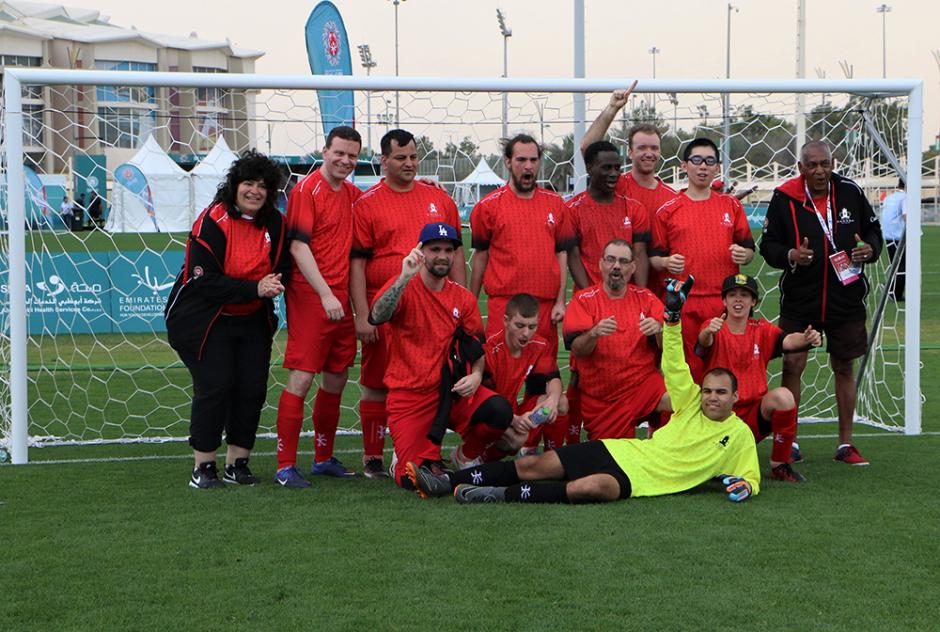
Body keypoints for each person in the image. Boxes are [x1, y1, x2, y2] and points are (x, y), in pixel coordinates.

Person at [405, 277, 761, 505]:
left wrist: (746, 487)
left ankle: (494, 495)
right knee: (536, 465)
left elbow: (751, 476)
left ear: (735, 397)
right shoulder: (691, 404)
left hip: (639, 481)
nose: (712, 397)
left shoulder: (739, 434)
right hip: (620, 450)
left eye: (720, 393)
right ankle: (443, 481)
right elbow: (674, 364)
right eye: (709, 391)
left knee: (591, 488)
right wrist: (671, 320)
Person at [165, 150, 290, 489]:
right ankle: (203, 467)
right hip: (203, 318)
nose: (255, 191)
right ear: (234, 186)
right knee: (215, 385)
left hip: (251, 318)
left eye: (263, 186)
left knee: (251, 388)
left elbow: (285, 268)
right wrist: (255, 287)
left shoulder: (276, 223)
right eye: (248, 183)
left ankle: (239, 463)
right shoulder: (212, 220)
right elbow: (203, 279)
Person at [759, 140, 883, 466]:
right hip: (801, 300)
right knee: (793, 364)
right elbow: (768, 245)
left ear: (833, 163)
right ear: (801, 168)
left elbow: (874, 233)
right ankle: (790, 440)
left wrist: (869, 249)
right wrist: (790, 255)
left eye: (824, 164)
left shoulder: (850, 192)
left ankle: (846, 444)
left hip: (846, 297)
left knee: (844, 366)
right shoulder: (785, 197)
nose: (819, 170)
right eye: (811, 165)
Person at [351, 129, 465, 478]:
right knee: (375, 381)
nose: (409, 163)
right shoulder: (367, 202)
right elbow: (356, 261)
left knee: (434, 378)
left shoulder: (438, 199)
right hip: (388, 309)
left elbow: (455, 253)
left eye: (414, 156)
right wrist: (362, 315)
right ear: (383, 161)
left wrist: (460, 298)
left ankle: (426, 452)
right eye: (401, 157)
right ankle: (373, 458)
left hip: (434, 311)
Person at [368, 223, 513, 487]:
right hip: (410, 394)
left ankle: (465, 456)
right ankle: (402, 459)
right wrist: (402, 278)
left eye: (449, 250)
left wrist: (477, 375)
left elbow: (476, 347)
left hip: (451, 392)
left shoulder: (463, 298)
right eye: (435, 249)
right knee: (414, 480)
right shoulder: (404, 285)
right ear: (421, 251)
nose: (443, 255)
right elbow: (377, 316)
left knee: (499, 411)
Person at [274, 126, 363, 488]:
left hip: (340, 295)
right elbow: (297, 247)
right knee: (302, 376)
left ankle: (323, 457)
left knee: (337, 375)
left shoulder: (355, 194)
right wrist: (325, 293)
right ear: (324, 151)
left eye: (352, 155)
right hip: (313, 294)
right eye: (339, 153)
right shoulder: (306, 190)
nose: (345, 160)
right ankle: (284, 466)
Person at [697, 274, 822, 482]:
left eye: (744, 295)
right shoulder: (714, 325)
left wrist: (808, 338)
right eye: (733, 295)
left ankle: (779, 464)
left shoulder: (762, 329)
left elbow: (789, 341)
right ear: (724, 301)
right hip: (719, 417)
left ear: (753, 301)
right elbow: (703, 342)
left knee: (784, 396)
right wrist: (708, 332)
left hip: (752, 416)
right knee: (714, 466)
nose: (738, 300)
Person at [649, 138, 755, 377]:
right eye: (696, 160)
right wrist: (666, 262)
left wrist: (744, 254)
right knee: (688, 372)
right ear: (684, 166)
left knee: (727, 372)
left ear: (717, 167)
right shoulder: (668, 209)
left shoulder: (731, 205)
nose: (703, 166)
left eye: (710, 161)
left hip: (724, 302)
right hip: (685, 303)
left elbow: (749, 250)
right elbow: (654, 258)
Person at [469, 133, 570, 358]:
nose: (528, 166)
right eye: (521, 160)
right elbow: (480, 256)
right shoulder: (488, 207)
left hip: (543, 308)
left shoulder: (555, 204)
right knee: (497, 375)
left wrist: (560, 301)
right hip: (504, 307)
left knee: (544, 378)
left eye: (533, 160)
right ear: (507, 162)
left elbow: (561, 253)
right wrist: (470, 304)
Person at [563, 239, 670, 440]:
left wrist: (659, 330)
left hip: (642, 386)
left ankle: (662, 444)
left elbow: (671, 346)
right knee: (613, 461)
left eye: (623, 261)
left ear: (632, 267)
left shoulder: (646, 297)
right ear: (601, 264)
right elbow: (577, 350)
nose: (616, 266)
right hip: (604, 398)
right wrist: (593, 333)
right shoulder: (584, 300)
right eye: (611, 260)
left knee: (680, 403)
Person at [482, 293, 567, 457]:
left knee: (560, 402)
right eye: (520, 325)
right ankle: (473, 455)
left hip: (515, 414)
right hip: (491, 414)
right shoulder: (490, 348)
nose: (526, 333)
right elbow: (483, 401)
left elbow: (553, 378)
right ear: (506, 321)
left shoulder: (539, 344)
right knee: (513, 440)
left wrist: (552, 400)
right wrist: (513, 419)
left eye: (532, 327)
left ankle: (552, 457)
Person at [881, 178, 906, 302]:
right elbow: (907, 216)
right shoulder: (905, 197)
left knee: (895, 264)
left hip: (888, 236)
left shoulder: (889, 198)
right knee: (903, 266)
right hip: (900, 236)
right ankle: (895, 293)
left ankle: (890, 289)